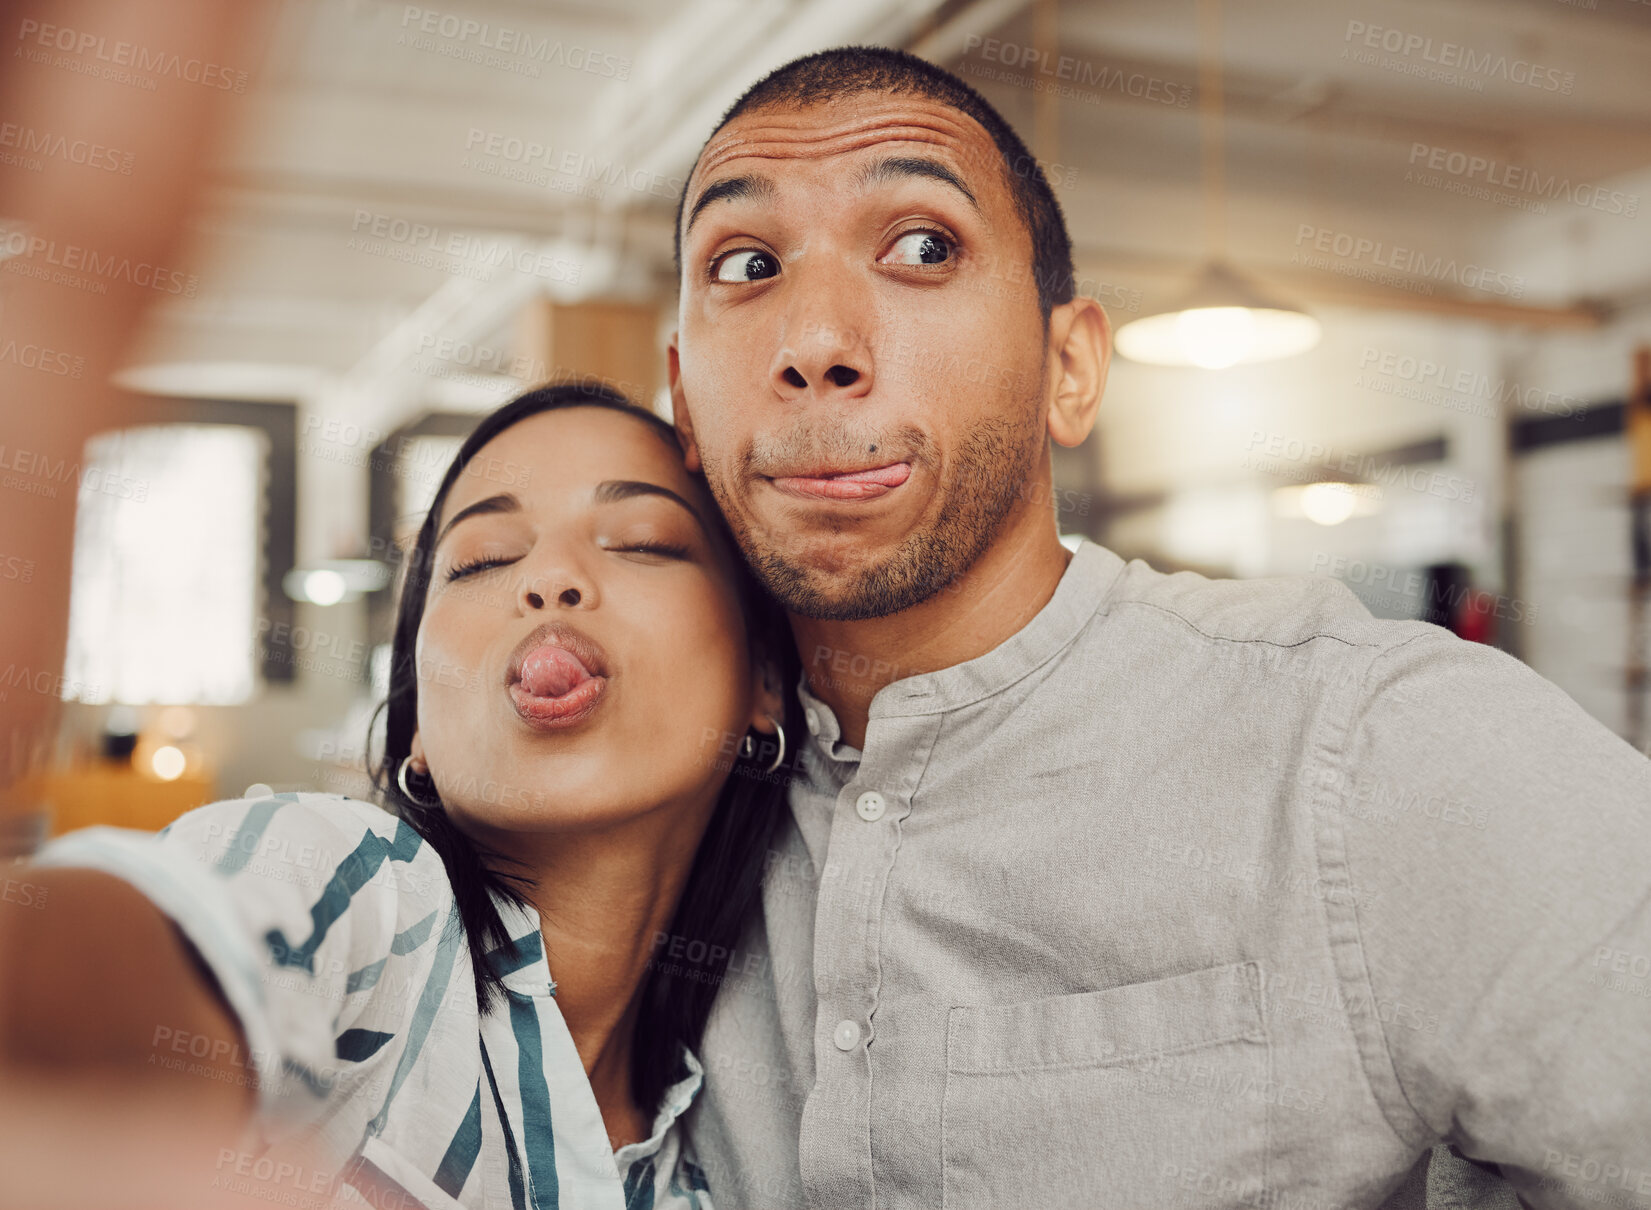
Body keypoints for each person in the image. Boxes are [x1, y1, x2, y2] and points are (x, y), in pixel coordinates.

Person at [665, 47, 1651, 1210]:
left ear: (1069, 368)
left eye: (924, 246)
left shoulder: (1372, 752)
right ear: (683, 400)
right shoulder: (651, 812)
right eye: (746, 262)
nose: (816, 344)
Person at [6, 383, 803, 1209]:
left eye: (642, 541)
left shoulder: (711, 1169)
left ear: (766, 685)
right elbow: (83, 988)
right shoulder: (357, 893)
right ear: (417, 732)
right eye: (483, 560)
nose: (548, 578)